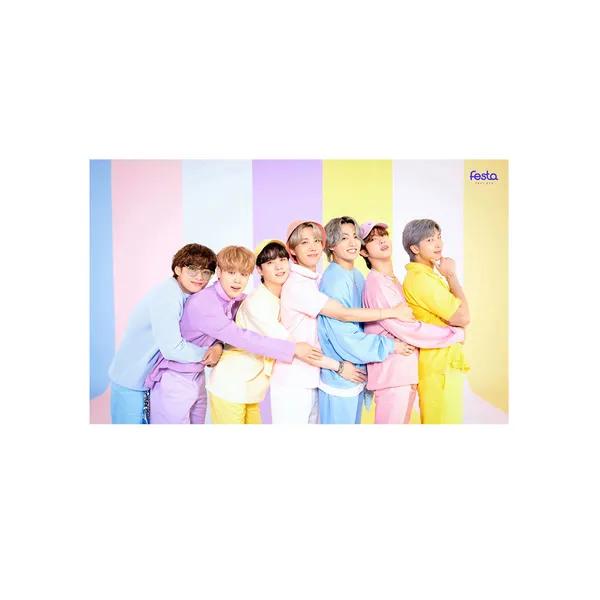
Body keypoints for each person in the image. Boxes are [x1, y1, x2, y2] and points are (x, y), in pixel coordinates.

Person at [145, 245, 323, 424]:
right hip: (175, 377)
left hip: (197, 376)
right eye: (231, 272)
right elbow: (242, 337)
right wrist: (292, 348)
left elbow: (223, 331)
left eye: (244, 274)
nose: (238, 280)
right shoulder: (204, 302)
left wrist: (218, 345)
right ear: (219, 272)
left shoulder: (235, 300)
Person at [269, 219, 414, 424]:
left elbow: (359, 324)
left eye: (355, 236)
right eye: (344, 238)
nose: (352, 242)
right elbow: (343, 320)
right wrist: (390, 337)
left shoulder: (340, 277)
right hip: (319, 377)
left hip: (335, 374)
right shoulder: (319, 282)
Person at [206, 240, 366, 424]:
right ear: (259, 270)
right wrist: (339, 367)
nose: (279, 266)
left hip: (251, 388)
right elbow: (295, 348)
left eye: (282, 259)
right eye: (270, 262)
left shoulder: (284, 294)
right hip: (231, 383)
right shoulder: (258, 303)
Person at [359, 221, 465, 424]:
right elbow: (407, 329)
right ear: (363, 251)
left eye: (383, 235)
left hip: (404, 373)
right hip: (392, 374)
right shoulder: (377, 283)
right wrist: (454, 333)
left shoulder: (391, 280)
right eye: (372, 239)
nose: (381, 241)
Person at [107, 243, 222, 424]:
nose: (200, 277)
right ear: (178, 269)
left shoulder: (192, 295)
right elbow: (172, 348)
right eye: (192, 269)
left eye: (206, 272)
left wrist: (218, 345)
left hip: (152, 380)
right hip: (132, 380)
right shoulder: (168, 295)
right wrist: (209, 354)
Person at [401, 219, 471, 424]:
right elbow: (463, 317)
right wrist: (451, 275)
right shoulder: (421, 279)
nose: (438, 244)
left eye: (439, 237)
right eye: (430, 240)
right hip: (438, 364)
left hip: (443, 360)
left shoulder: (428, 276)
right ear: (415, 248)